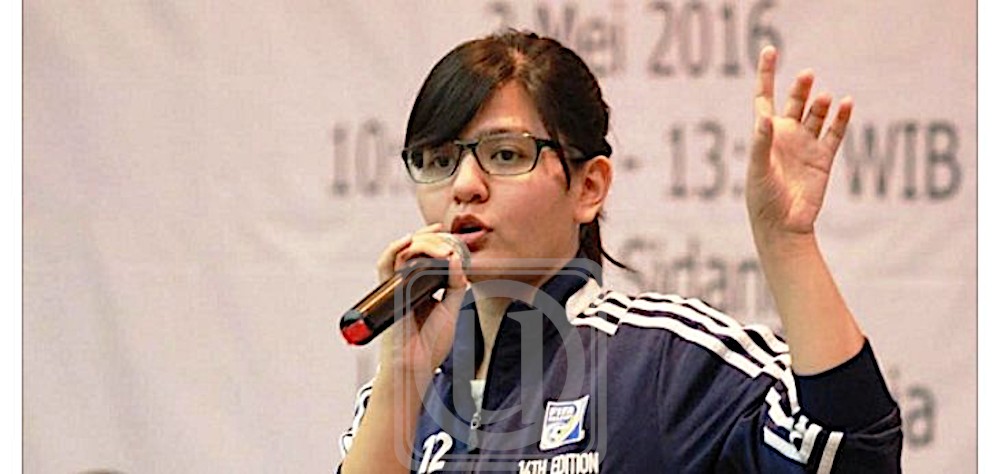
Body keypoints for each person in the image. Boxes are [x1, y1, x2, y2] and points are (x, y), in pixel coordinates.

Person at [337, 30, 902, 473]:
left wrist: (788, 242)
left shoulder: (663, 361)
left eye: (506, 154)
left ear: (589, 187)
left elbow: (849, 451)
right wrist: (404, 373)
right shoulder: (402, 395)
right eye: (438, 160)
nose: (464, 185)